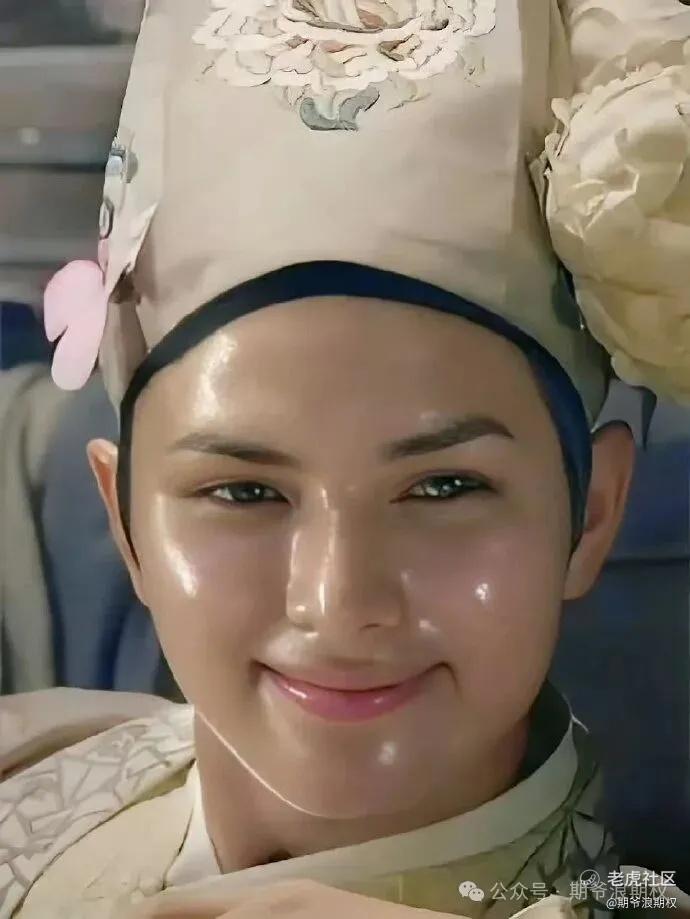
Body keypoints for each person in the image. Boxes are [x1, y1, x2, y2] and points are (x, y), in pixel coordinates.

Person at [1, 0, 689, 916]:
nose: (338, 602)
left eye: (444, 485)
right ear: (125, 520)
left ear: (592, 512)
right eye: (243, 491)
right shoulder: (42, 758)